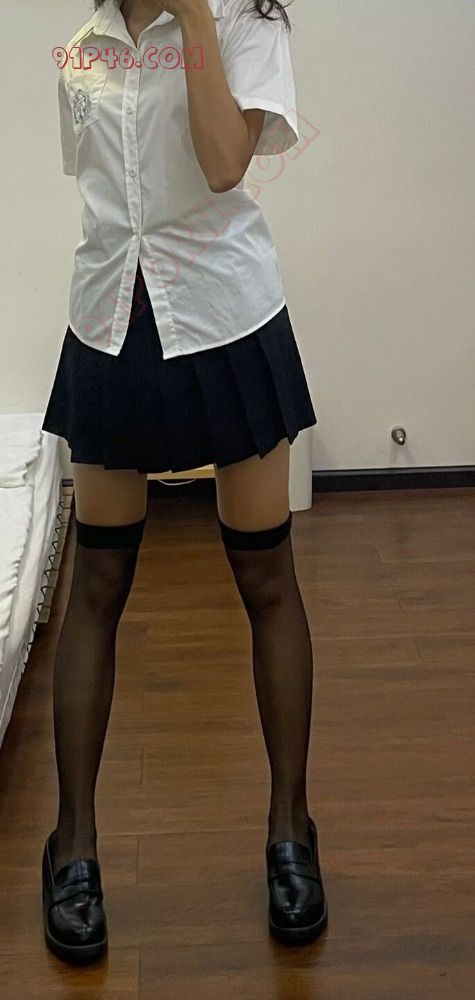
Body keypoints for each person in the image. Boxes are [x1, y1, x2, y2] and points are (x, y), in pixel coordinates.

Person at [41, 0, 327, 963]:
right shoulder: (83, 48)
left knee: (265, 575)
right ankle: (73, 846)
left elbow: (220, 163)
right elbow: (98, 195)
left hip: (226, 316)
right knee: (98, 583)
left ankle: (291, 828)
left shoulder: (246, 24)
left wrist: (195, 13)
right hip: (108, 324)